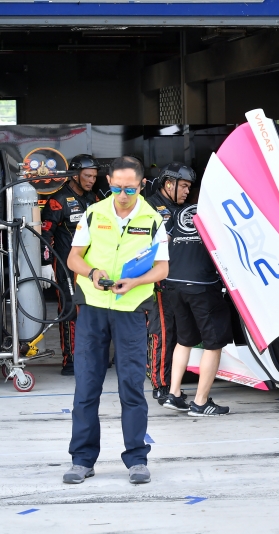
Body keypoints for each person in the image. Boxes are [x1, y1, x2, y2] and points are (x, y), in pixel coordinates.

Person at [63, 156, 169, 485]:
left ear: (141, 185)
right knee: (87, 387)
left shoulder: (153, 220)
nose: (123, 194)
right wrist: (93, 272)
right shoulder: (94, 214)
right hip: (93, 310)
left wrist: (135, 282)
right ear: (109, 182)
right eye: (116, 187)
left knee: (131, 387)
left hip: (130, 312)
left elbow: (162, 269)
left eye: (130, 188)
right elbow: (73, 258)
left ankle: (136, 459)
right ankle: (82, 460)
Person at [160, 174, 233, 417]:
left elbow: (165, 241)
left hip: (173, 282)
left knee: (184, 339)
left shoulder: (181, 213)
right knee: (213, 345)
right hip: (202, 284)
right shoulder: (219, 214)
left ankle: (174, 394)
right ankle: (201, 403)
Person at [39, 154, 100, 375]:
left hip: (90, 266)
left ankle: (92, 356)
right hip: (65, 265)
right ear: (75, 175)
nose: (92, 180)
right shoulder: (59, 199)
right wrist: (46, 262)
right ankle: (71, 360)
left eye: (94, 176)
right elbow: (45, 234)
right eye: (87, 176)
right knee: (70, 311)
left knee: (92, 311)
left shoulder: (93, 198)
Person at [144, 162, 193, 404]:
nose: (187, 191)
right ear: (169, 184)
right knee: (162, 332)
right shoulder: (148, 207)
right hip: (158, 281)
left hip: (179, 280)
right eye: (183, 186)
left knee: (178, 333)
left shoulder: (182, 209)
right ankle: (159, 384)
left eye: (189, 187)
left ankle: (172, 380)